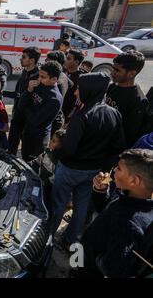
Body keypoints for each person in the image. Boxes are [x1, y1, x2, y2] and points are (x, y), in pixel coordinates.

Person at [50, 73, 126, 250]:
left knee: (58, 203)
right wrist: (105, 169)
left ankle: (48, 238)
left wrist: (56, 151)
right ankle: (69, 240)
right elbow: (118, 146)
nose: (76, 92)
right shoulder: (114, 114)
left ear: (89, 90)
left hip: (70, 169)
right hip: (94, 171)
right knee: (81, 206)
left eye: (79, 88)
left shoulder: (81, 116)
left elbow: (69, 149)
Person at [77, 149, 153, 278]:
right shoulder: (134, 198)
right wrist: (101, 191)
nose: (114, 170)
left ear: (134, 181)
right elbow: (107, 210)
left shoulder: (129, 224)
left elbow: (113, 268)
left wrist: (93, 256)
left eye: (119, 168)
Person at [17, 61, 63, 162]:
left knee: (31, 167)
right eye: (39, 75)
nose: (39, 79)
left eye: (43, 77)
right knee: (23, 159)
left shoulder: (54, 98)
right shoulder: (38, 85)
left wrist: (25, 108)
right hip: (27, 132)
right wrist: (29, 89)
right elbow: (20, 105)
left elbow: (35, 120)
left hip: (38, 139)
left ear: (54, 79)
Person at [107, 51, 150, 149]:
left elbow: (128, 136)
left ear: (131, 74)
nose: (112, 72)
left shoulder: (138, 101)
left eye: (117, 70)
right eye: (113, 68)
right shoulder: (112, 86)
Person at [5, 47, 41, 155]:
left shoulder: (38, 77)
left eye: (24, 57)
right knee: (11, 147)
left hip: (27, 120)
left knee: (26, 150)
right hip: (17, 116)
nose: (21, 59)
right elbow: (17, 94)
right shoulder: (24, 72)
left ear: (32, 60)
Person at [30, 129, 65, 212]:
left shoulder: (60, 162)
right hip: (41, 180)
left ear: (61, 145)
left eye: (54, 141)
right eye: (51, 139)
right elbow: (37, 161)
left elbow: (54, 181)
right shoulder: (48, 151)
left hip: (48, 188)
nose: (50, 141)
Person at [62, 49, 85, 123]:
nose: (65, 60)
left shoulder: (81, 79)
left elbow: (78, 103)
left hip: (65, 116)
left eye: (68, 58)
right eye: (66, 57)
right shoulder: (63, 71)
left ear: (77, 62)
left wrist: (68, 117)